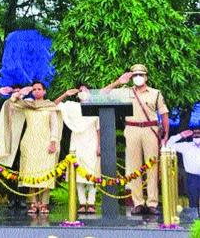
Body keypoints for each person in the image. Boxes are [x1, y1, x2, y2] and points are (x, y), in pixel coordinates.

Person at [104, 64, 169, 215]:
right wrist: (118, 82)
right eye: (135, 75)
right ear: (131, 77)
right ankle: (138, 202)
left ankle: (152, 203)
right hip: (132, 129)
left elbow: (164, 114)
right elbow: (103, 94)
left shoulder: (155, 93)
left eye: (141, 75)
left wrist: (165, 136)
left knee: (152, 166)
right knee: (134, 167)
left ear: (146, 77)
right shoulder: (125, 92)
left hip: (150, 129)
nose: (138, 78)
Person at [0, 81, 63, 214]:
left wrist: (53, 142)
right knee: (31, 173)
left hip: (45, 143)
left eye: (39, 89)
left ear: (44, 91)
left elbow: (55, 125)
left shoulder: (50, 106)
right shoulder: (27, 105)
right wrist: (20, 93)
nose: (37, 91)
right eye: (34, 89)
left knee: (45, 173)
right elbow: (11, 103)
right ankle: (33, 203)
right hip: (29, 143)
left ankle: (44, 203)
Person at [55, 85, 101, 214]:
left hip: (92, 142)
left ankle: (91, 203)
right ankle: (82, 203)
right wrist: (65, 94)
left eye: (85, 90)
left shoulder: (95, 109)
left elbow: (99, 129)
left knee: (92, 173)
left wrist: (99, 146)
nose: (83, 92)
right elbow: (54, 105)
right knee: (78, 174)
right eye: (80, 90)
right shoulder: (72, 107)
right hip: (76, 143)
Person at [0, 85, 28, 210]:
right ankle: (11, 198)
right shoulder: (6, 104)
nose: (17, 95)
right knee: (10, 171)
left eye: (19, 92)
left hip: (24, 141)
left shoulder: (26, 103)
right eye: (14, 93)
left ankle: (22, 198)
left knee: (24, 170)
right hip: (10, 142)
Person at [167, 128, 200, 209]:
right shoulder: (186, 146)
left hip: (192, 178)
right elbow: (168, 145)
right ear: (192, 135)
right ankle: (196, 221)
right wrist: (180, 135)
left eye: (199, 132)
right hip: (192, 178)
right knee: (193, 203)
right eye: (195, 133)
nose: (197, 134)